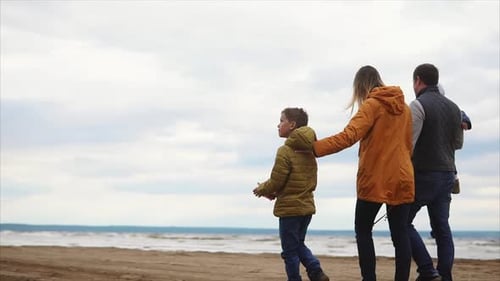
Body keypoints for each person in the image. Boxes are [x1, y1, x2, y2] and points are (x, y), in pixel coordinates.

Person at [313, 65, 414, 281]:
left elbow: (348, 136)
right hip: (403, 177)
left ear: (360, 86)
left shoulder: (372, 105)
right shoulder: (405, 108)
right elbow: (408, 144)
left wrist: (314, 148)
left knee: (363, 230)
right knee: (400, 234)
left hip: (376, 177)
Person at [253, 107, 329, 281]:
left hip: (290, 210)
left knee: (289, 250)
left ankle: (301, 276)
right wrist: (275, 191)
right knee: (298, 244)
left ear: (292, 125)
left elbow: (277, 181)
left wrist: (263, 189)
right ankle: (316, 272)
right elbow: (300, 180)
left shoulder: (285, 151)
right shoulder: (310, 150)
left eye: (281, 121)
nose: (278, 125)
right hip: (307, 207)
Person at [408, 64, 463, 281]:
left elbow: (408, 144)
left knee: (400, 221)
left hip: (423, 174)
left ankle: (427, 271)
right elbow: (458, 144)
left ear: (418, 80)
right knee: (442, 228)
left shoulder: (418, 105)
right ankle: (444, 275)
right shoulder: (454, 108)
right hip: (448, 174)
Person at [437, 84, 472, 194]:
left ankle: (454, 177)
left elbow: (461, 114)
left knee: (448, 159)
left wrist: (466, 122)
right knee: (448, 159)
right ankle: (454, 177)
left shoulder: (450, 109)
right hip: (443, 146)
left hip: (444, 145)